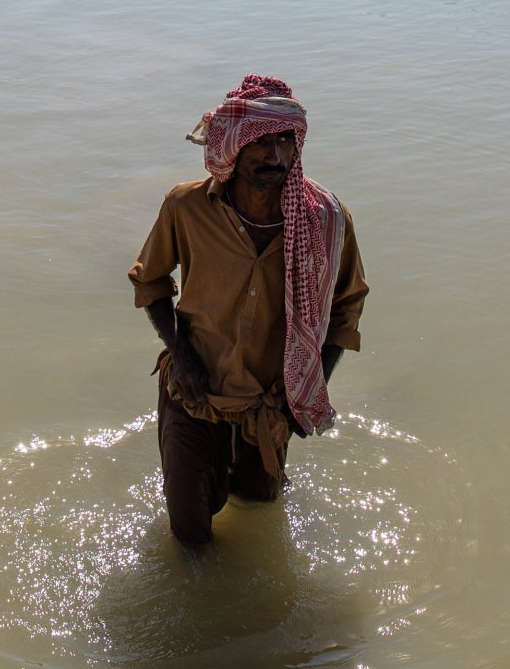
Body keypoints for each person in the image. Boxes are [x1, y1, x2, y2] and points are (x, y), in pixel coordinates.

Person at [128, 74, 367, 547]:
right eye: (261, 143)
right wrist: (181, 353)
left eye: (285, 142)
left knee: (259, 509)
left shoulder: (324, 219)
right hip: (194, 391)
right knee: (189, 531)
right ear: (234, 148)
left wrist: (307, 390)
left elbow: (346, 311)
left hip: (270, 404)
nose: (275, 158)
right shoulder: (187, 207)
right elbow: (151, 282)